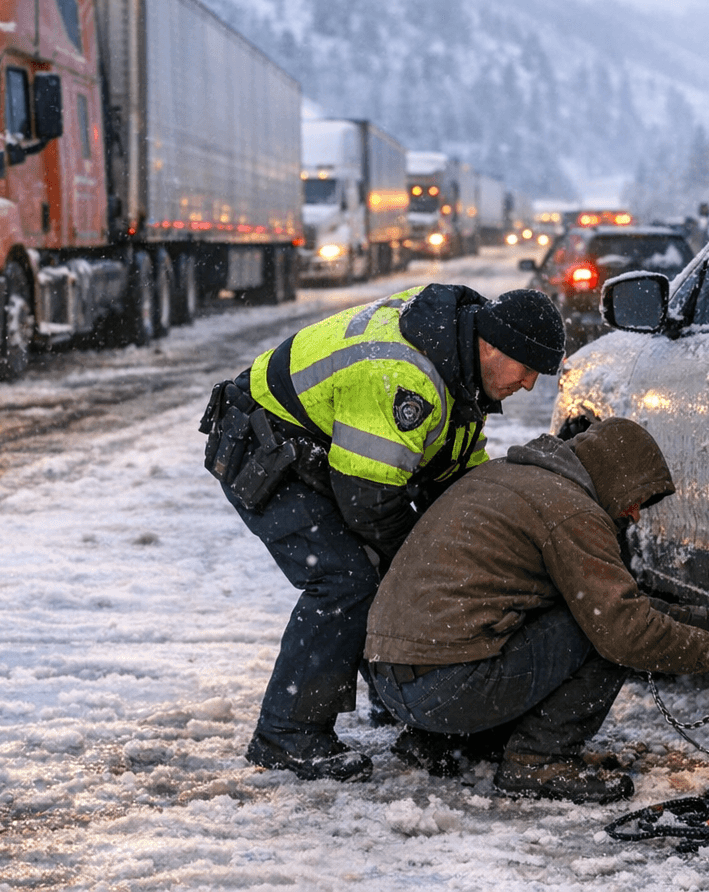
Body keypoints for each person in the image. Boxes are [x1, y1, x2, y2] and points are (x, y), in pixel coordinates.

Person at [201, 284, 566, 782]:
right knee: (347, 580)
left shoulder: (454, 357)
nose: (528, 385)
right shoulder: (405, 377)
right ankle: (287, 734)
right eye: (526, 370)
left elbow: (453, 473)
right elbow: (369, 506)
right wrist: (422, 570)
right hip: (265, 446)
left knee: (391, 566)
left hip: (323, 452)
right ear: (492, 346)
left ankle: (400, 703)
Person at [364, 417, 709, 804]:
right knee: (606, 634)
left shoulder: (515, 476)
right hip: (447, 686)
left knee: (586, 614)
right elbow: (623, 627)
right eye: (636, 500)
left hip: (394, 681)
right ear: (614, 477)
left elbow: (612, 601)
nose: (633, 514)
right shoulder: (573, 512)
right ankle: (537, 762)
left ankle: (443, 742)